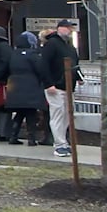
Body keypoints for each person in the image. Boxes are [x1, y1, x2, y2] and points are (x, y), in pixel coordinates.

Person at [40, 19, 82, 158]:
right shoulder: (52, 44)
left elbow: (75, 64)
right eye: (67, 28)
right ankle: (59, 144)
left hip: (68, 86)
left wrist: (79, 77)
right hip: (56, 86)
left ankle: (63, 142)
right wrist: (48, 83)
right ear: (60, 28)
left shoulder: (69, 47)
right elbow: (44, 64)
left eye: (71, 28)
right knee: (58, 115)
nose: (70, 30)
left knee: (66, 116)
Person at [3, 31, 45, 146]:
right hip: (31, 87)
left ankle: (13, 136)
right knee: (31, 114)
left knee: (19, 114)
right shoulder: (33, 55)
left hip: (14, 87)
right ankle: (31, 139)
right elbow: (41, 70)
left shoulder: (12, 54)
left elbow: (5, 70)